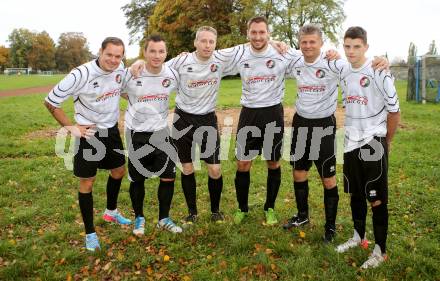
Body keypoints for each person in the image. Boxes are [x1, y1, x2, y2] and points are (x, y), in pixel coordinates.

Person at [282, 24, 389, 243]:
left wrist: (382, 61)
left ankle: (330, 226)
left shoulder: (333, 62)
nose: (308, 46)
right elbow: (272, 47)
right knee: (298, 172)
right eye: (304, 42)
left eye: (313, 42)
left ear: (321, 44)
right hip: (301, 123)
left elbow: (359, 63)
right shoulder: (295, 59)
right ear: (299, 43)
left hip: (323, 126)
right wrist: (277, 43)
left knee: (328, 178)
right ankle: (302, 216)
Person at [44, 37, 131, 252]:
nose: (113, 60)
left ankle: (111, 211)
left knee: (119, 170)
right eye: (109, 54)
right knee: (88, 183)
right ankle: (90, 233)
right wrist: (71, 128)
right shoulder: (81, 74)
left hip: (110, 131)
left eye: (118, 56)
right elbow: (51, 101)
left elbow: (122, 89)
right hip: (88, 134)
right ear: (100, 51)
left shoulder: (120, 69)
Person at [225, 16, 305, 225]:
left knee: (273, 161)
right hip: (249, 114)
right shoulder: (240, 52)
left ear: (268, 33)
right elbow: (209, 56)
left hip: (272, 114)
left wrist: (332, 54)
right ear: (248, 33)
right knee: (243, 163)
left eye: (262, 32)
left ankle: (270, 207)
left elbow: (310, 55)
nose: (258, 36)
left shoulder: (281, 52)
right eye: (254, 32)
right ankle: (242, 209)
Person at [335, 26, 400, 269]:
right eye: (347, 46)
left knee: (377, 199)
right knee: (356, 194)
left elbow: (394, 111)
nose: (351, 51)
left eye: (357, 46)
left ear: (366, 47)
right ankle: (358, 237)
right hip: (351, 142)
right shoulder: (343, 69)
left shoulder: (378, 71)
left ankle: (380, 251)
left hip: (373, 143)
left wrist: (387, 141)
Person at [122, 34, 182, 235]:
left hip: (161, 133)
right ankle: (139, 218)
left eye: (161, 51)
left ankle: (164, 218)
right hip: (136, 134)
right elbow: (116, 89)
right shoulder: (131, 73)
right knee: (137, 179)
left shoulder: (172, 74)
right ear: (145, 53)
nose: (157, 55)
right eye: (152, 51)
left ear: (166, 53)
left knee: (168, 177)